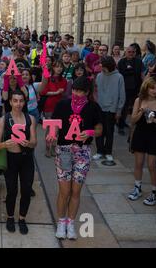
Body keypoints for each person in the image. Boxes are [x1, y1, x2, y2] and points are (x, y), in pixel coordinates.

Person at [50, 77, 103, 240]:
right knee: (64, 191)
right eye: (74, 90)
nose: (76, 93)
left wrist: (89, 133)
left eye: (80, 91)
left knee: (76, 191)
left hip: (83, 152)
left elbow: (100, 129)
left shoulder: (94, 107)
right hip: (64, 151)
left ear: (87, 92)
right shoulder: (62, 104)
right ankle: (61, 222)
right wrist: (52, 134)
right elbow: (54, 123)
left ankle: (71, 222)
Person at [0, 90, 37, 235]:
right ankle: (10, 217)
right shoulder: (3, 120)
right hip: (11, 160)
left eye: (21, 101)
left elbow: (34, 142)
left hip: (26, 159)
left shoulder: (30, 118)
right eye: (15, 101)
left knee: (26, 190)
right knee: (12, 191)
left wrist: (28, 144)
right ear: (11, 102)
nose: (18, 104)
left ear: (24, 102)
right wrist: (5, 144)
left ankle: (22, 218)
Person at [127, 77, 156, 205]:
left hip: (155, 135)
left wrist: (155, 120)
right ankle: (137, 187)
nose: (155, 91)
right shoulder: (139, 100)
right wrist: (141, 111)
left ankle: (155, 192)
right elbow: (133, 120)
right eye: (152, 88)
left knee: (152, 165)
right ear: (146, 87)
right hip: (140, 134)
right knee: (138, 163)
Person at [93, 56, 126, 165]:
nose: (100, 65)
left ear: (108, 65)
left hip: (112, 109)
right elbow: (96, 91)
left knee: (109, 131)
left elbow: (122, 95)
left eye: (102, 63)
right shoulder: (99, 76)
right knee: (99, 130)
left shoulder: (119, 77)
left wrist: (119, 110)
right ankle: (99, 151)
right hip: (99, 108)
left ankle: (108, 152)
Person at [41, 60, 67, 157]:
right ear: (53, 68)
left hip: (60, 106)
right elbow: (43, 92)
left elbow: (64, 93)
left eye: (61, 66)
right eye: (57, 66)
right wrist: (55, 92)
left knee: (56, 129)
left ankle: (53, 147)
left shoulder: (64, 80)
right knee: (50, 128)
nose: (59, 68)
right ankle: (48, 148)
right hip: (49, 106)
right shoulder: (47, 78)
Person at [117, 45, 144, 135]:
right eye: (129, 52)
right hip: (125, 88)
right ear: (126, 52)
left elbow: (141, 74)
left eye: (133, 52)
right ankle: (120, 126)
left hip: (136, 87)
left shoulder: (139, 61)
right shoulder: (122, 62)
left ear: (135, 53)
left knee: (136, 107)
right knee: (124, 107)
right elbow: (119, 76)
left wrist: (143, 86)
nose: (131, 54)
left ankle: (135, 125)